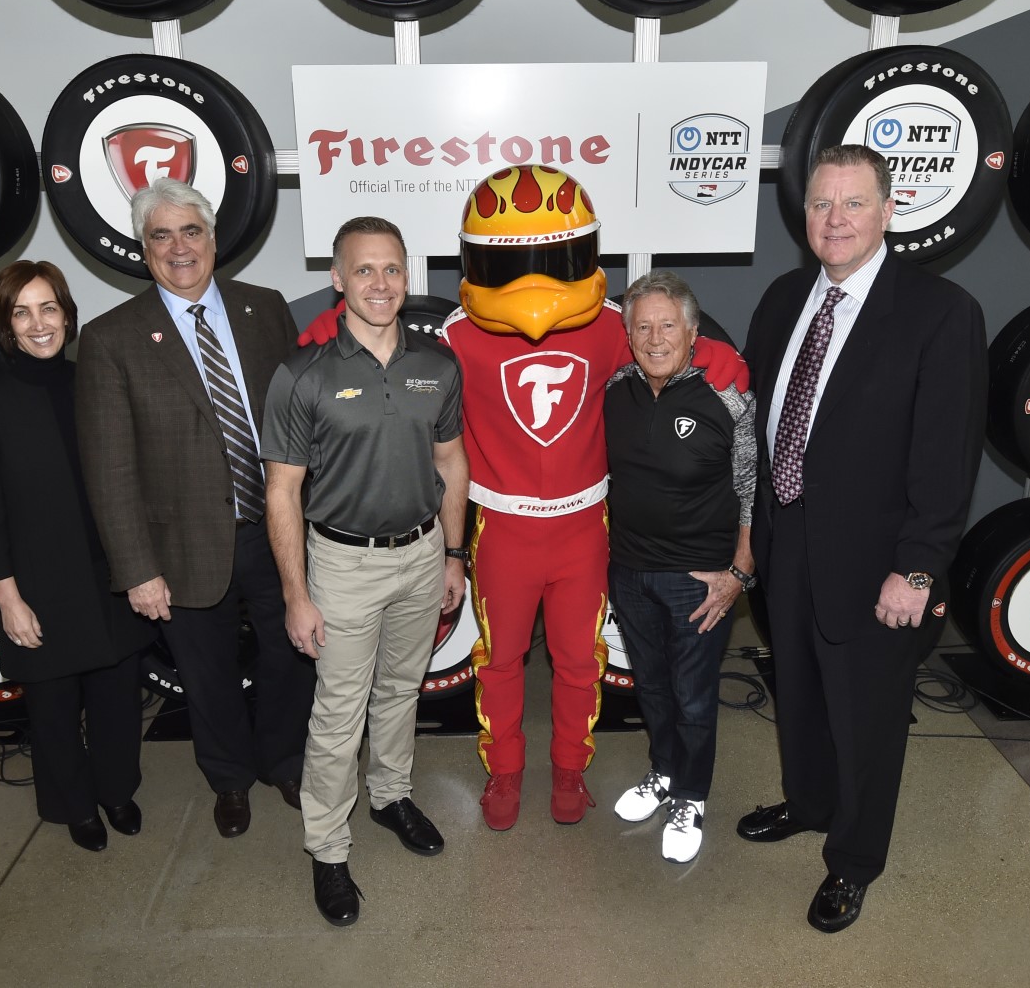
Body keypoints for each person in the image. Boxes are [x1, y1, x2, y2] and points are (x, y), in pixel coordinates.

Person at [297, 166, 746, 832]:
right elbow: (380, 341)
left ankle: (570, 768)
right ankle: (504, 772)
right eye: (513, 261)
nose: (534, 277)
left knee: (578, 660)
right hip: (502, 528)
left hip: (585, 528)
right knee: (499, 660)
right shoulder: (455, 333)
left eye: (551, 258)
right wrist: (318, 340)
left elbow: (678, 343)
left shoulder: (613, 326)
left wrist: (723, 366)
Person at [739, 144, 987, 932]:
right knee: (802, 693)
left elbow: (947, 457)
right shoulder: (783, 299)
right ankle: (809, 804)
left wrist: (917, 570)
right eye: (820, 205)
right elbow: (767, 425)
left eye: (852, 204)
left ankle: (853, 861)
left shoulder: (940, 312)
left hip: (879, 561)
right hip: (788, 537)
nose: (834, 220)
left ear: (888, 211)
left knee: (869, 717)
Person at [75, 176, 316, 839]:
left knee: (291, 654)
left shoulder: (264, 308)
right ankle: (230, 779)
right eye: (162, 235)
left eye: (192, 231)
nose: (180, 248)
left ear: (213, 238)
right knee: (207, 675)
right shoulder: (111, 338)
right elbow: (109, 468)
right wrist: (137, 569)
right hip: (180, 548)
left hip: (277, 530)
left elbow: (298, 423)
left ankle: (285, 759)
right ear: (143, 248)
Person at [262, 216, 468, 927]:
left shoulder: (436, 365)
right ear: (337, 279)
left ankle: (391, 796)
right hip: (343, 565)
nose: (379, 284)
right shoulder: (302, 374)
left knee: (401, 691)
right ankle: (326, 847)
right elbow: (282, 491)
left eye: (391, 270)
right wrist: (296, 592)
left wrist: (452, 552)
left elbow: (451, 464)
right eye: (364, 270)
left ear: (407, 277)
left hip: (420, 556)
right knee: (338, 713)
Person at [0, 261, 152, 852]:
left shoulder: (95, 383)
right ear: (6, 325)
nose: (38, 323)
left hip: (109, 575)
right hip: (39, 585)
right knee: (53, 710)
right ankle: (75, 806)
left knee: (117, 700)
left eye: (48, 308)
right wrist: (8, 598)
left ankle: (117, 791)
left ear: (67, 316)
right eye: (22, 312)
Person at [604, 270, 756, 865]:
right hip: (631, 571)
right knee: (653, 688)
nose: (656, 337)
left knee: (694, 698)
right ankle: (664, 773)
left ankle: (691, 796)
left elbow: (752, 485)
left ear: (693, 332)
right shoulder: (616, 388)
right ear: (628, 333)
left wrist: (739, 573)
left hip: (700, 578)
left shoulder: (725, 394)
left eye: (668, 325)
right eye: (642, 326)